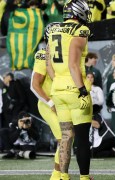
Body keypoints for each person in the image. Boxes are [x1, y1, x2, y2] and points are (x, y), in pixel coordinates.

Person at [46, 0, 93, 179]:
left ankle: (63, 177)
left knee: (66, 137)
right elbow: (73, 64)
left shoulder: (53, 29)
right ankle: (84, 177)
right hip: (74, 88)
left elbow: (48, 63)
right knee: (82, 139)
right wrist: (81, 89)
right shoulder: (80, 30)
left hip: (58, 88)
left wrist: (58, 80)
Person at [30, 26, 62, 179]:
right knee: (64, 137)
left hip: (63, 102)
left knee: (69, 138)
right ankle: (56, 175)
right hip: (48, 103)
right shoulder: (43, 55)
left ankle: (63, 174)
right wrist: (51, 103)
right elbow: (34, 85)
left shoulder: (63, 55)